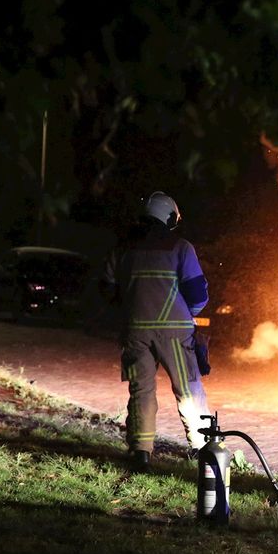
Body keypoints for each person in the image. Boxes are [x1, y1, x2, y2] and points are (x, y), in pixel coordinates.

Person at [101, 191, 211, 471]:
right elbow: (198, 293)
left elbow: (107, 290)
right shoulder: (181, 247)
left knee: (141, 390)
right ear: (169, 217)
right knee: (188, 388)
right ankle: (202, 449)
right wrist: (187, 314)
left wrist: (129, 312)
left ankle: (141, 453)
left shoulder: (122, 248)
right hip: (174, 330)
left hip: (135, 330)